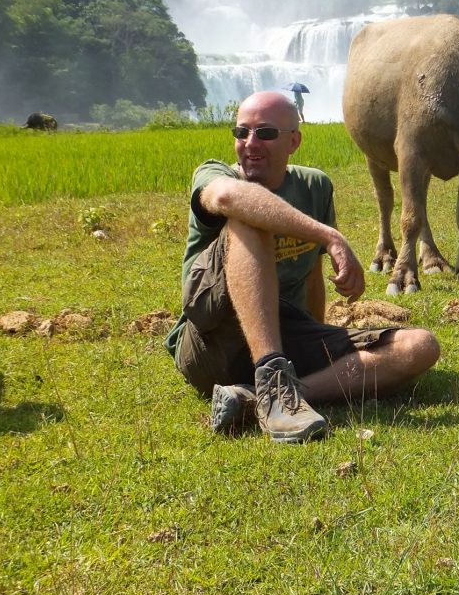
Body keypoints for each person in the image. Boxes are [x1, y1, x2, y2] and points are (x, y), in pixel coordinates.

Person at [164, 90, 440, 442]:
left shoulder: (314, 187)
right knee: (251, 217)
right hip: (210, 342)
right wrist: (330, 236)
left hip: (286, 334)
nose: (250, 143)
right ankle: (272, 376)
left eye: (264, 133)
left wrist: (319, 340)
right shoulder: (215, 174)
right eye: (241, 132)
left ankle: (269, 396)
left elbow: (311, 275)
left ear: (293, 140)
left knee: (419, 346)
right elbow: (227, 197)